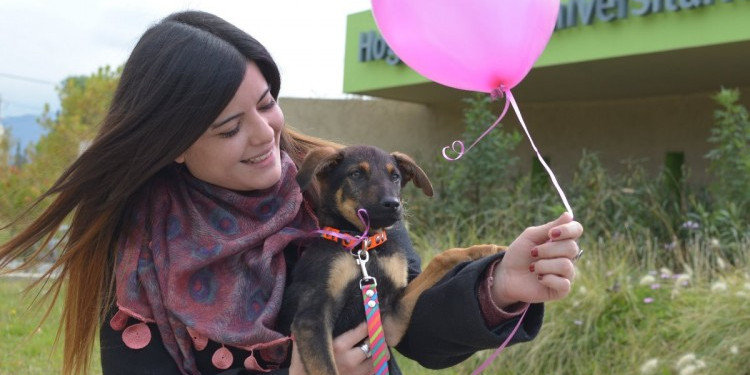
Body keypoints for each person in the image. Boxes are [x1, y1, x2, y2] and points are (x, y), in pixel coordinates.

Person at [0, 10, 583, 375]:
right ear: (172, 145)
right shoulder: (140, 256)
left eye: (266, 103)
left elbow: (411, 325)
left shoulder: (338, 187)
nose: (264, 136)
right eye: (228, 128)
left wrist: (499, 285)